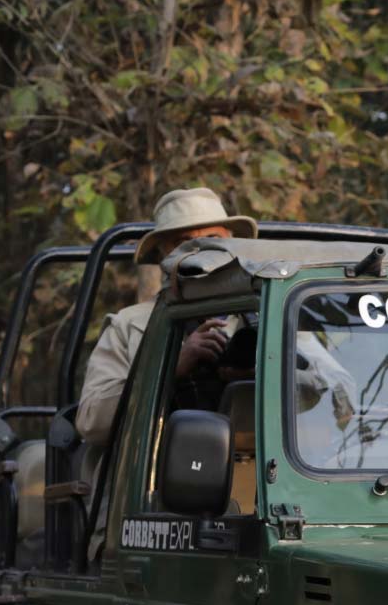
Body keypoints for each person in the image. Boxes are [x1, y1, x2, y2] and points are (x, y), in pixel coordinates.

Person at [74, 186, 260, 446]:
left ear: (230, 241)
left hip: (261, 475)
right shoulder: (130, 325)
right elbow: (91, 423)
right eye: (184, 242)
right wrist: (168, 369)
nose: (201, 249)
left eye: (212, 238)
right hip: (158, 477)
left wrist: (264, 374)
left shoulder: (269, 314)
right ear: (164, 253)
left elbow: (329, 395)